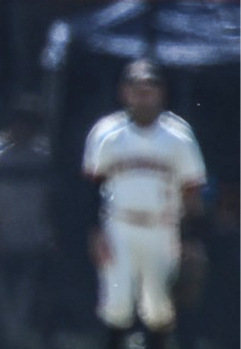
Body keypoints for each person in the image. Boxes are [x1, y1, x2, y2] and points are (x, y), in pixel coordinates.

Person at [82, 58, 208, 349]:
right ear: (124, 91)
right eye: (136, 86)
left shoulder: (178, 136)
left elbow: (191, 191)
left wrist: (190, 238)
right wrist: (94, 231)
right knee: (116, 305)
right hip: (118, 227)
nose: (143, 93)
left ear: (161, 92)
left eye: (150, 86)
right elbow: (92, 187)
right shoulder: (106, 133)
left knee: (159, 309)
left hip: (162, 228)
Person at [0, 96, 55, 348]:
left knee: (35, 299)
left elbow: (49, 197)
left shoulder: (42, 153)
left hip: (35, 239)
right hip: (1, 242)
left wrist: (49, 232)